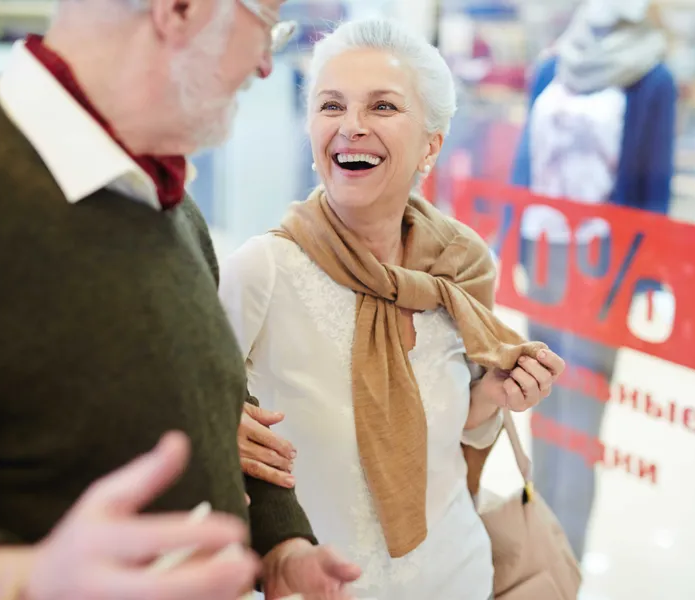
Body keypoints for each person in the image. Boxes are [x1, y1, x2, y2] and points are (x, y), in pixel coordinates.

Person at [0, 1, 360, 598]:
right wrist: (21, 579)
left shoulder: (165, 199)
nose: (266, 63)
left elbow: (213, 398)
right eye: (266, 24)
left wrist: (279, 548)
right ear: (180, 9)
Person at [220, 19, 566, 599]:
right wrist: (216, 426)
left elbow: (457, 439)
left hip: (456, 576)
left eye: (382, 107)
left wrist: (493, 399)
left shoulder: (461, 266)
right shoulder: (264, 271)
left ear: (431, 143)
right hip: (319, 585)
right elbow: (182, 414)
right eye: (331, 106)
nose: (351, 126)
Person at [510, 0, 676, 558]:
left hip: (603, 266)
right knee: (540, 402)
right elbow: (525, 164)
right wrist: (510, 241)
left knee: (581, 423)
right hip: (544, 261)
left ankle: (566, 563)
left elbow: (654, 189)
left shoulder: (651, 76)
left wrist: (646, 280)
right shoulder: (553, 67)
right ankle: (535, 548)